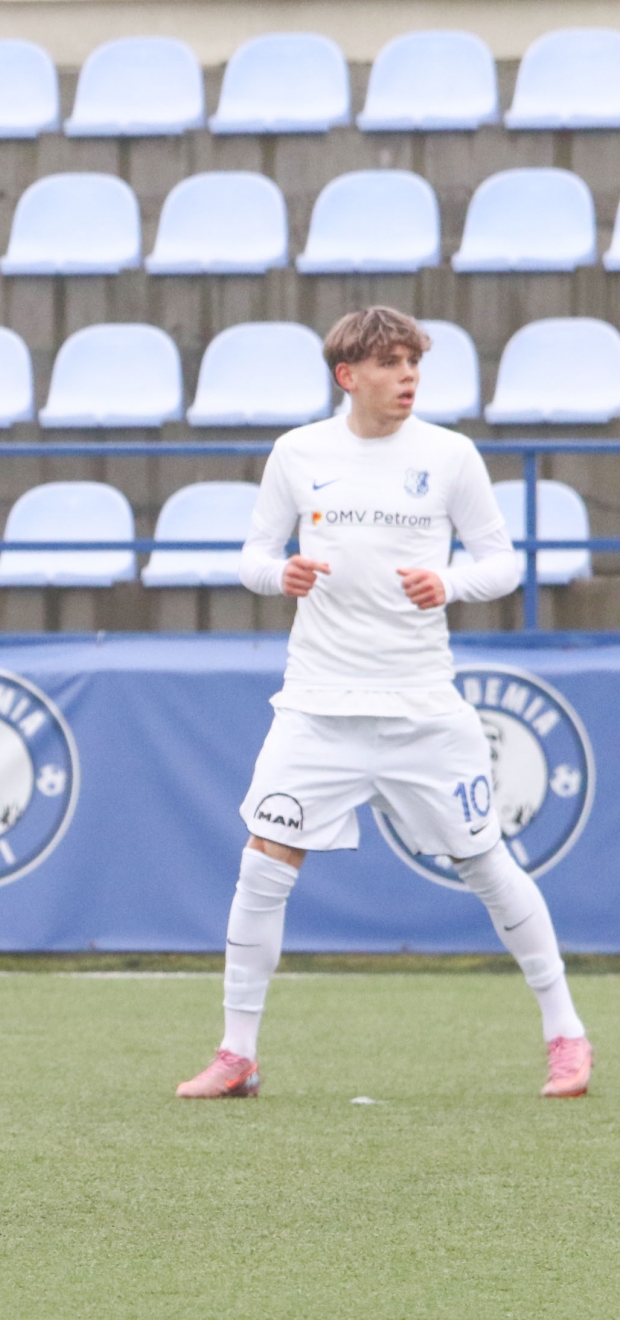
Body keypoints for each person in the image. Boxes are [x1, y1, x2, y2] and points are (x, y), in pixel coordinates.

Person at [178, 306, 592, 1101]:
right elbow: (254, 558)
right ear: (348, 376)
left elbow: (502, 564)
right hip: (317, 705)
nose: (408, 378)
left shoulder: (449, 455)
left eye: (413, 364)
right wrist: (281, 574)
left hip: (421, 706)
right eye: (391, 364)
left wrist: (451, 583)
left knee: (487, 864)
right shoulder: (298, 452)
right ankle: (238, 1055)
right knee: (264, 862)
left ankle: (567, 1035)